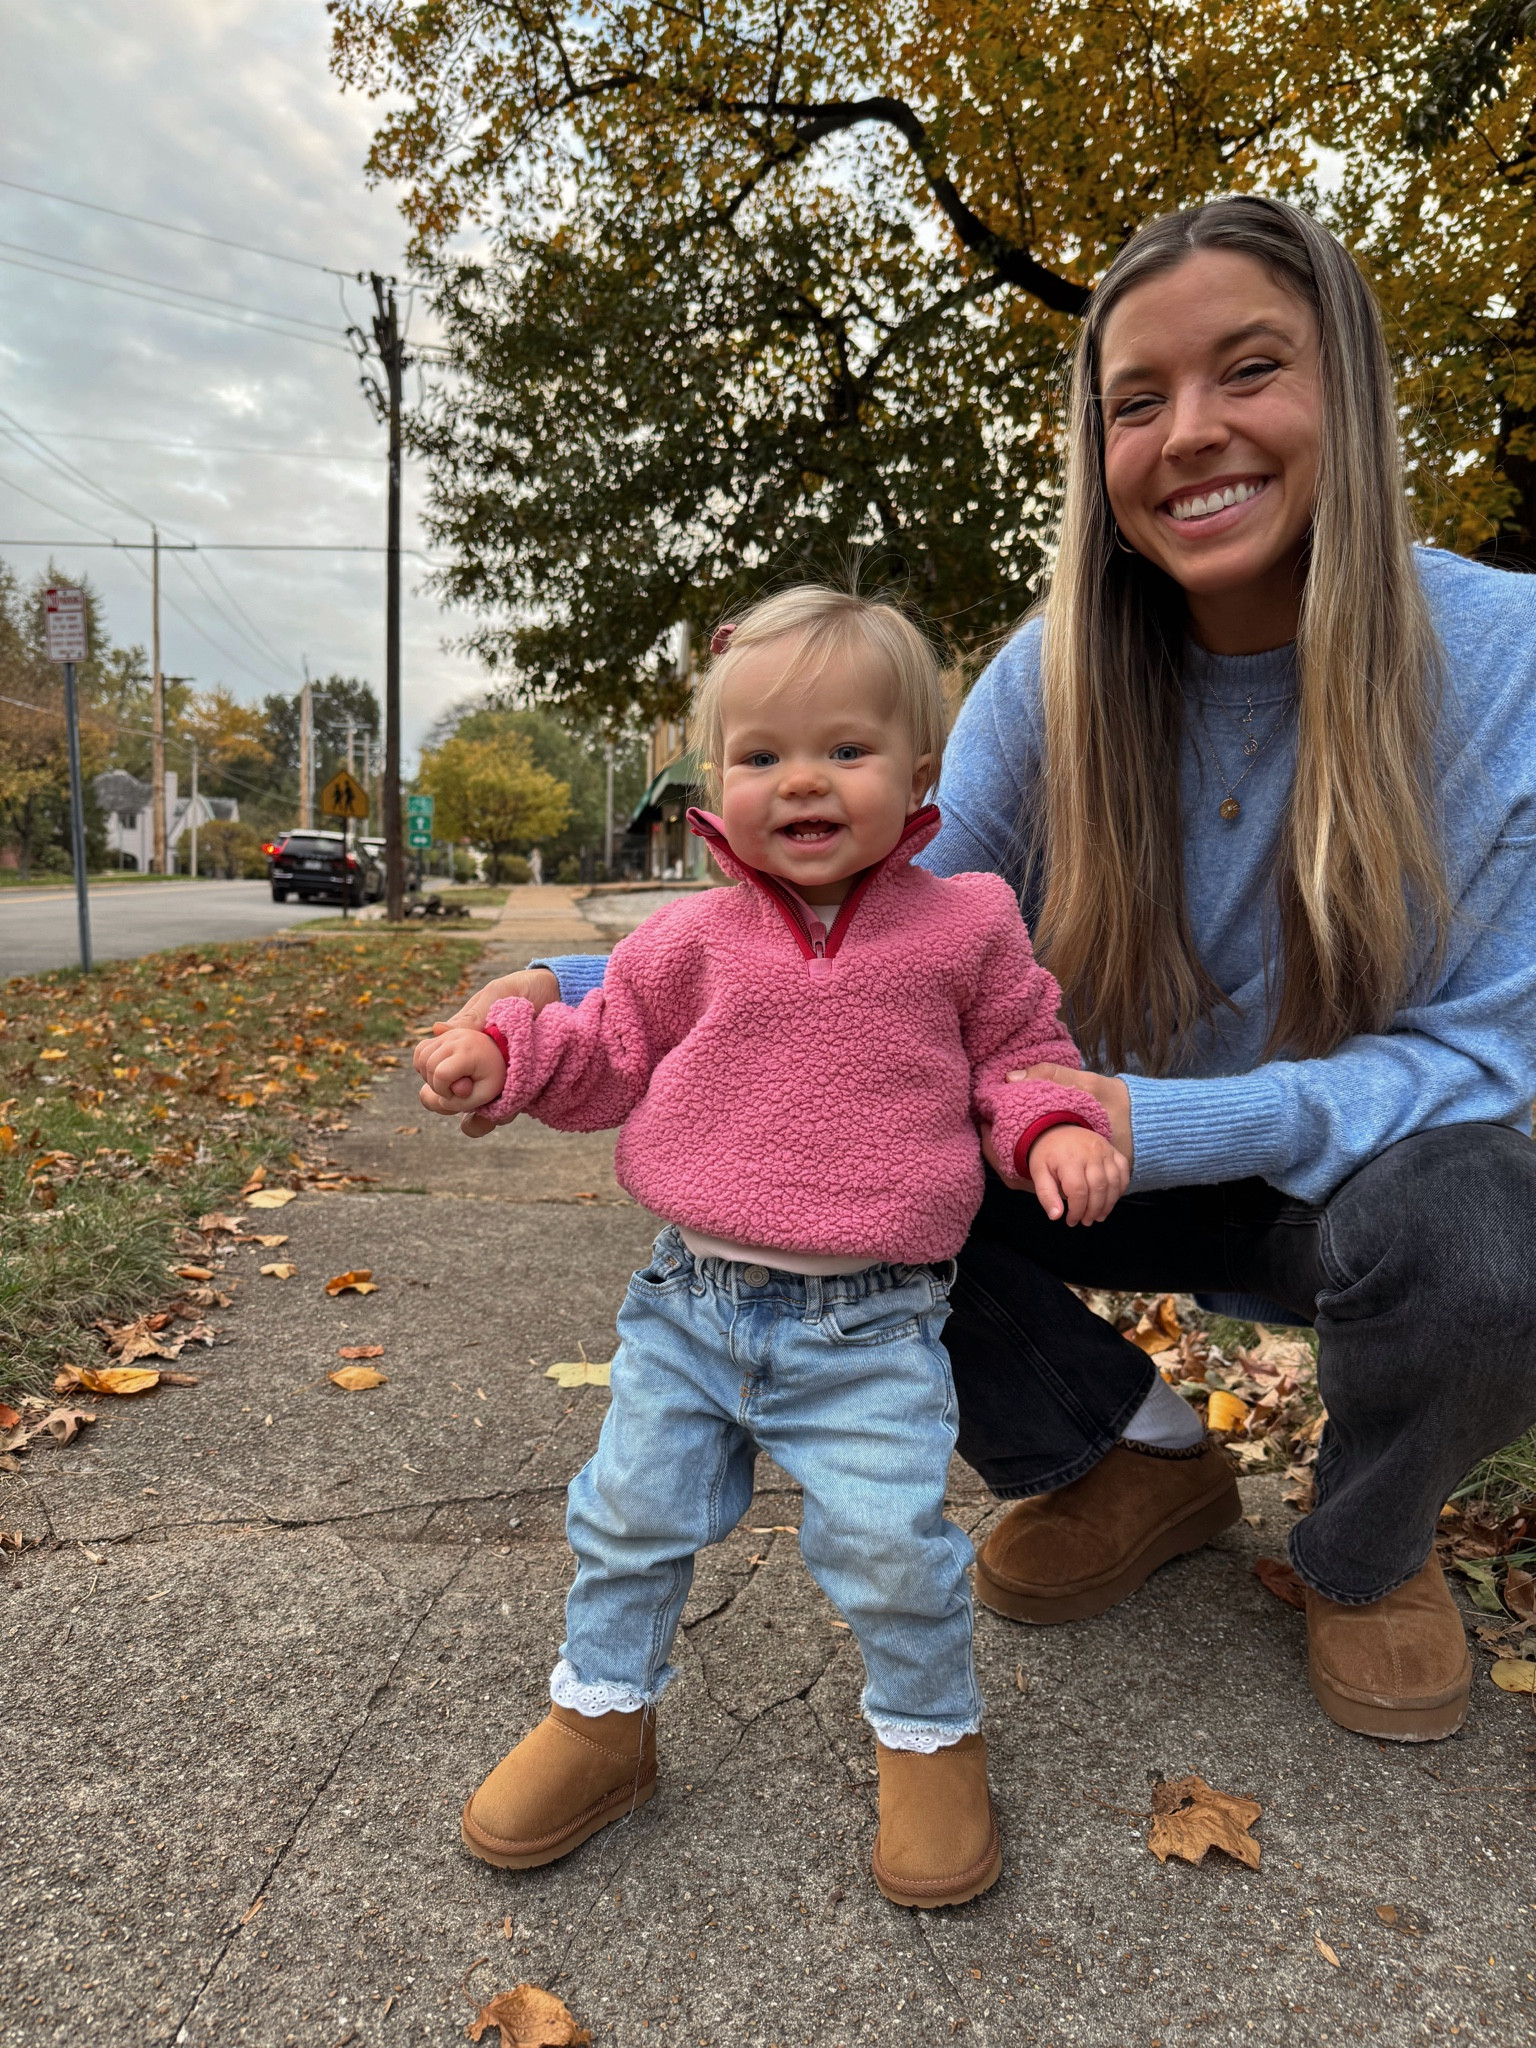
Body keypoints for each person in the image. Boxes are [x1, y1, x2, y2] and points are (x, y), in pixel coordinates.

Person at [442, 196, 1536, 1748]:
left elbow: (1492, 1057)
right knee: (826, 1141)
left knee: (1500, 1236)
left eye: (1250, 371)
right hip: (1065, 1162)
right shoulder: (1052, 673)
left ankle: (1366, 1550)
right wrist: (557, 998)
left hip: (1356, 1185)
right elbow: (851, 961)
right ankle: (1118, 1456)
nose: (1191, 433)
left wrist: (1173, 1123)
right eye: (1137, 401)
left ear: (1347, 390)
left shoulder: (1510, 660)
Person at [415, 587, 1129, 1907]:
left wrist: (1055, 1127)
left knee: (890, 1548)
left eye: (845, 751)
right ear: (713, 780)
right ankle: (603, 1717)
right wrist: (498, 1052)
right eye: (761, 757)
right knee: (625, 1518)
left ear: (920, 773)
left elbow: (1023, 1056)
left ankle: (930, 1736)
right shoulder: (685, 940)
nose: (801, 781)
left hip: (872, 1326)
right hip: (690, 1306)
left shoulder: (966, 926)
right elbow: (601, 1054)